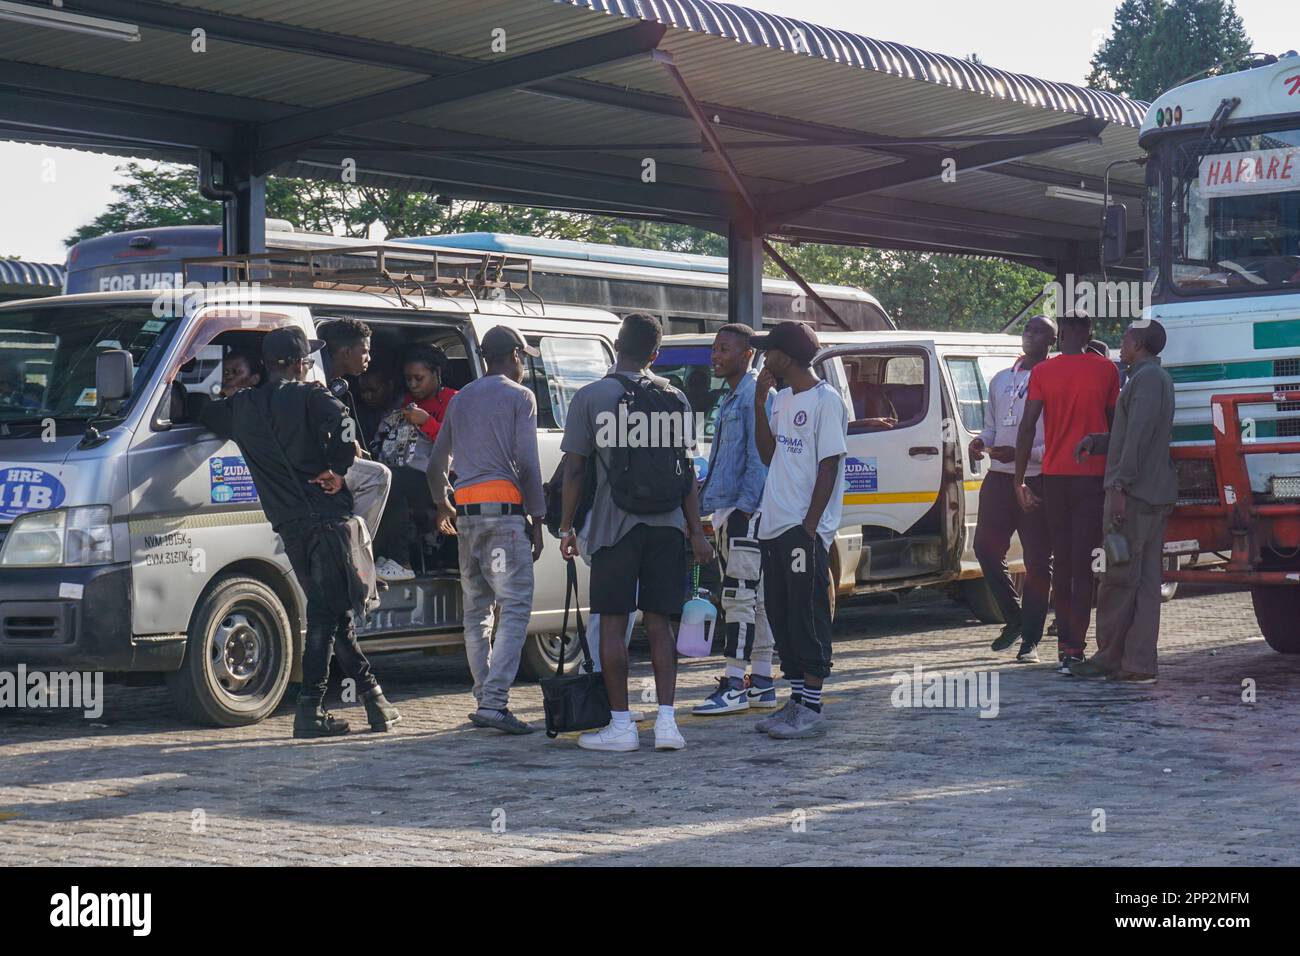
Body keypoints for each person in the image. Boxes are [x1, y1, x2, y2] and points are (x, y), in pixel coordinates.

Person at [199, 326, 400, 738]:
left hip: (290, 528)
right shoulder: (313, 395)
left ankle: (374, 701)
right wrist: (340, 470)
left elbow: (197, 409)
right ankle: (310, 710)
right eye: (306, 359)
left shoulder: (242, 408)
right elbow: (345, 428)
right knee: (327, 616)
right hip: (327, 520)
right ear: (297, 363)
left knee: (334, 614)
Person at [557, 312, 714, 753]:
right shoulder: (678, 399)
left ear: (616, 345)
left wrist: (567, 526)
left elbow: (574, 468)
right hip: (667, 527)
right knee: (661, 623)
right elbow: (688, 474)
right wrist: (695, 531)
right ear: (656, 354)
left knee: (612, 622)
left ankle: (621, 724)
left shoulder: (591, 396)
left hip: (613, 527)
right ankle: (668, 724)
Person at [428, 326, 546, 734]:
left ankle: (485, 699)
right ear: (513, 355)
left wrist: (443, 503)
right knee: (514, 607)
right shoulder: (520, 398)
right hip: (505, 517)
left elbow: (434, 466)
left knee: (477, 610)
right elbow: (529, 464)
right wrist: (538, 518)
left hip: (468, 517)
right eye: (523, 357)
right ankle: (495, 703)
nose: (524, 366)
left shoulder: (460, 400)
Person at [751, 321, 849, 739]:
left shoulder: (828, 401)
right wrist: (759, 403)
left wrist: (810, 526)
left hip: (801, 527)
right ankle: (795, 700)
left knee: (807, 615)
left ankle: (811, 706)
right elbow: (769, 454)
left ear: (786, 357)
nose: (763, 356)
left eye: (768, 350)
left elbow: (829, 465)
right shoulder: (782, 399)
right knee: (782, 613)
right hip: (774, 524)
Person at [1069, 321, 1177, 684]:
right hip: (1150, 494)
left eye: (1126, 339)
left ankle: (1109, 659)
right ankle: (1138, 664)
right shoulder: (1150, 379)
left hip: (1135, 497)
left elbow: (1138, 440)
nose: (1121, 344)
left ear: (1139, 343)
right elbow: (1131, 433)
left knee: (1118, 578)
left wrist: (1118, 488)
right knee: (1146, 584)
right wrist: (1099, 442)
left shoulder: (1145, 380)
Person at [1014, 312, 1119, 673]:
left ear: (1060, 338)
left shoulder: (1042, 373)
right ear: (1090, 333)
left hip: (1054, 476)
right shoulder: (1106, 371)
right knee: (1086, 562)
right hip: (1093, 478)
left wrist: (1018, 481)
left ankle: (1065, 647)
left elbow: (1027, 428)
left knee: (1061, 561)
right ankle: (1078, 643)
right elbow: (1116, 427)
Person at [692, 324, 778, 714]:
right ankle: (760, 682)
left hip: (747, 512)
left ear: (747, 355)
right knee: (754, 600)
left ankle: (733, 685)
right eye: (714, 349)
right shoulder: (732, 398)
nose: (715, 356)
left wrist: (745, 507)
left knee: (739, 598)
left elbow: (760, 459)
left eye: (724, 349)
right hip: (732, 510)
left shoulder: (757, 397)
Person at [970, 315, 1056, 663]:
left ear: (1052, 340)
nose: (1030, 336)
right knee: (985, 550)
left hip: (1037, 479)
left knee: (1038, 560)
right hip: (1000, 476)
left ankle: (1031, 640)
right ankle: (1015, 617)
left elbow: (1057, 441)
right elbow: (992, 428)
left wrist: (1025, 454)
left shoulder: (1053, 380)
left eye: (1040, 332)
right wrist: (982, 441)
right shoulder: (1001, 379)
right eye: (1027, 329)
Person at [317, 318, 398, 578]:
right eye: (364, 351)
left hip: (326, 462)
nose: (368, 358)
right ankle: (355, 558)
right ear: (345, 352)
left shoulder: (336, 382)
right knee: (379, 476)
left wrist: (351, 442)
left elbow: (344, 421)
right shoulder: (319, 379)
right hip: (316, 464)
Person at [373, 344, 457, 578]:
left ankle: (401, 562)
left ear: (436, 373)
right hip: (409, 470)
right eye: (408, 379)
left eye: (419, 378)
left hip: (445, 479)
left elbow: (461, 443)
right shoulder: (404, 402)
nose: (413, 385)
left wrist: (427, 422)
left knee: (394, 481)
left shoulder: (454, 400)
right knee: (383, 480)